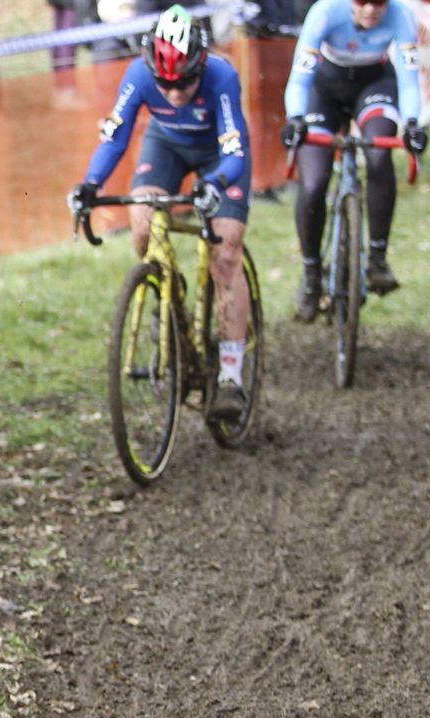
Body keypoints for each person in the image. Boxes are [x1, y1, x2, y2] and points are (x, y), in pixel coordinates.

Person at [68, 4, 254, 421]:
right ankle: (166, 298)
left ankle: (230, 376)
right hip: (166, 145)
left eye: (184, 81)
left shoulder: (222, 76)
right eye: (164, 83)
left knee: (226, 252)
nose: (173, 92)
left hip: (219, 158)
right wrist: (90, 184)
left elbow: (236, 152)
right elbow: (115, 139)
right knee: (143, 220)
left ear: (200, 63)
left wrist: (216, 185)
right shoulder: (137, 74)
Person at [281, 0, 427, 321]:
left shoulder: (402, 15)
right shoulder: (324, 12)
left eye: (379, 3)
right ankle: (311, 274)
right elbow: (300, 78)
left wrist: (414, 123)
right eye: (362, 1)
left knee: (377, 154)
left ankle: (377, 258)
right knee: (315, 180)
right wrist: (295, 118)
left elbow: (408, 80)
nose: (372, 10)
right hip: (324, 89)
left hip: (375, 85)